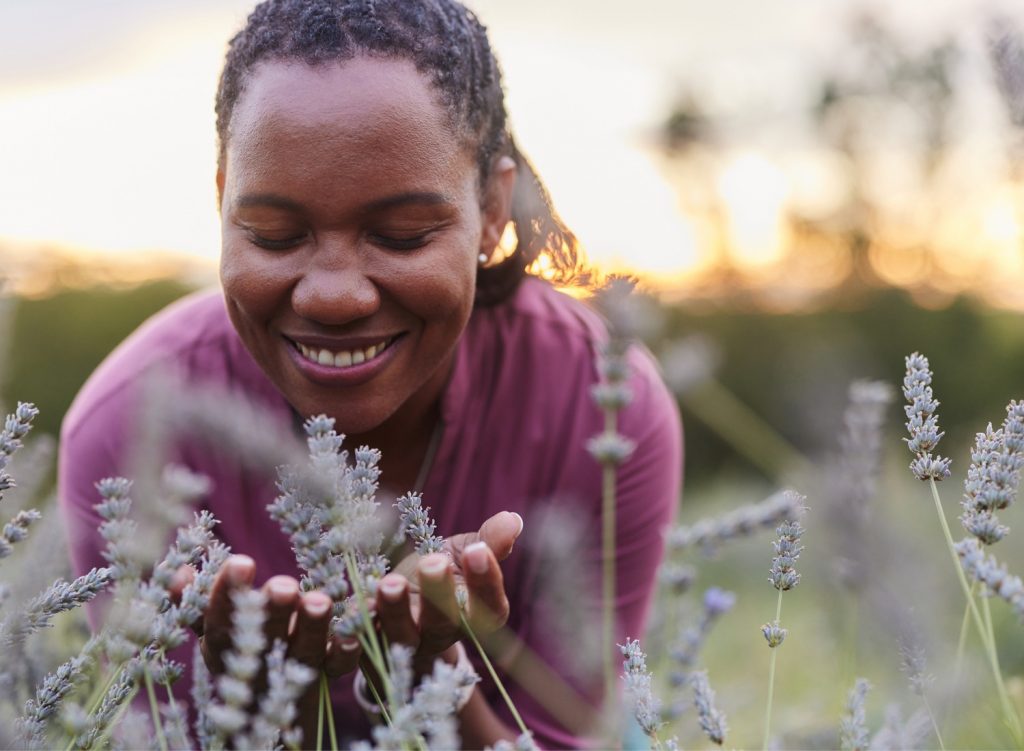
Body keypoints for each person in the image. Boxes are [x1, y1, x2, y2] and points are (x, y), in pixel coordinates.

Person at [58, 0, 682, 747]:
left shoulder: (604, 407)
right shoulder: (130, 431)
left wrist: (430, 672)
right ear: (222, 197)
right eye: (275, 234)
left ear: (491, 208)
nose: (335, 293)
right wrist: (245, 706)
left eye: (401, 234)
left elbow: (566, 733)